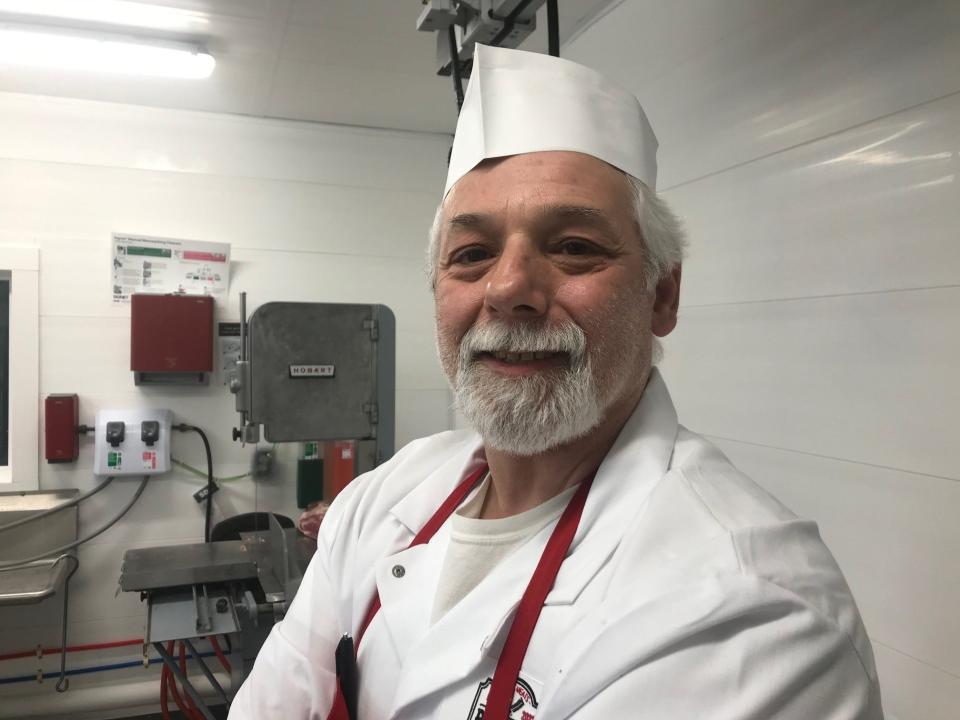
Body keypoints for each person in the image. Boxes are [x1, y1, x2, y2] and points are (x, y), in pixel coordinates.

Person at [230, 44, 883, 719]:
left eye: (574, 246)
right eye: (472, 254)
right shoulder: (379, 503)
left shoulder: (752, 614)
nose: (510, 287)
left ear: (663, 294)